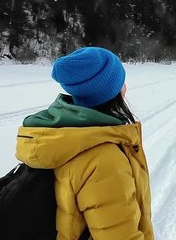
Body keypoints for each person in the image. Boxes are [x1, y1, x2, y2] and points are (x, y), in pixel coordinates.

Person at [15, 47, 153, 240]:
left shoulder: (59, 134)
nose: (125, 86)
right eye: (121, 81)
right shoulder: (105, 160)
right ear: (108, 90)